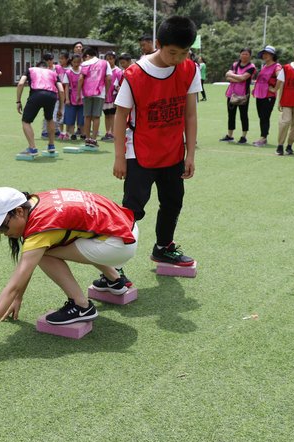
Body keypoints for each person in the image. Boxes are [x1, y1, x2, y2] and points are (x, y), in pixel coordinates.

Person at [0, 187, 138, 352]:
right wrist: (18, 297)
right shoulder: (34, 201)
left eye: (2, 226)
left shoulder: (40, 227)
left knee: (45, 253)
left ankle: (81, 306)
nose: (2, 232)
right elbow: (25, 269)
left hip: (119, 243)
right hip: (124, 227)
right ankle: (114, 280)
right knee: (65, 237)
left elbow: (14, 284)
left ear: (18, 212)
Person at [113, 16, 200, 267]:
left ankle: (163, 248)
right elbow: (120, 116)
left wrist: (190, 154)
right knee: (132, 209)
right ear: (159, 44)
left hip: (173, 152)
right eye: (173, 52)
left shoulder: (189, 69)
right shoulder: (135, 74)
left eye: (184, 53)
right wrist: (120, 156)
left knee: (173, 201)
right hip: (140, 152)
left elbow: (190, 114)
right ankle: (114, 268)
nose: (178, 59)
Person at [16, 60, 65, 156]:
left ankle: (32, 148)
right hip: (52, 95)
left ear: (37, 66)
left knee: (26, 121)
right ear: (47, 68)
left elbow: (21, 83)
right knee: (49, 118)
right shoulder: (53, 73)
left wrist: (18, 101)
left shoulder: (30, 70)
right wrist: (60, 109)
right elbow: (62, 90)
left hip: (36, 94)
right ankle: (51, 146)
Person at [77, 47, 112, 147]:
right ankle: (93, 139)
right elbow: (109, 78)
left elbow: (80, 79)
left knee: (87, 116)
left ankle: (87, 139)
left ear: (87, 55)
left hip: (86, 93)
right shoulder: (105, 63)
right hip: (99, 92)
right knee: (96, 116)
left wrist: (78, 93)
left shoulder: (84, 64)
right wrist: (106, 91)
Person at [219, 48, 255, 144]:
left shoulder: (252, 67)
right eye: (242, 53)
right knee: (231, 115)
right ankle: (230, 135)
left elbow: (243, 78)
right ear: (240, 54)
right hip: (231, 94)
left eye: (246, 54)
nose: (244, 56)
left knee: (243, 115)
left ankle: (243, 137)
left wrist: (233, 76)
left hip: (243, 95)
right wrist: (238, 78)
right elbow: (227, 75)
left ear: (250, 56)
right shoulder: (235, 64)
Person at [251, 45, 281, 147]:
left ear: (272, 55)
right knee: (261, 117)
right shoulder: (264, 66)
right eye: (264, 54)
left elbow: (281, 78)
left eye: (267, 54)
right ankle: (263, 137)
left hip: (268, 96)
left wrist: (275, 89)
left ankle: (263, 138)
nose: (265, 55)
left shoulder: (277, 66)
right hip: (260, 95)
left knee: (265, 117)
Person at [62, 54, 84, 140]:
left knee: (82, 116)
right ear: (71, 62)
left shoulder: (83, 71)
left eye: (78, 62)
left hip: (82, 96)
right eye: (74, 62)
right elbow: (66, 87)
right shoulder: (68, 72)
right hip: (71, 97)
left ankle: (83, 133)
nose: (76, 64)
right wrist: (67, 99)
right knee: (70, 115)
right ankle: (72, 133)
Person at [102, 51, 122, 141]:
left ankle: (113, 132)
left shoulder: (118, 71)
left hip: (113, 96)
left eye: (111, 58)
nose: (109, 61)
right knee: (106, 114)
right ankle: (107, 132)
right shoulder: (103, 70)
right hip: (105, 96)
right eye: (107, 59)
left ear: (114, 59)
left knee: (113, 114)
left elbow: (120, 85)